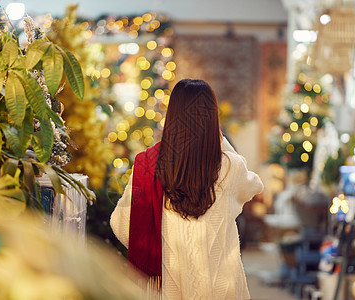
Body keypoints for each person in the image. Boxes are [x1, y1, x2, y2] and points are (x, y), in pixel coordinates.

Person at [110, 79, 264, 299]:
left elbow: (121, 224)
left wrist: (160, 249)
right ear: (213, 118)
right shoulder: (231, 167)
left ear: (172, 117)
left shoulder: (147, 166)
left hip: (167, 289)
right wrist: (221, 142)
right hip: (220, 289)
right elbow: (256, 185)